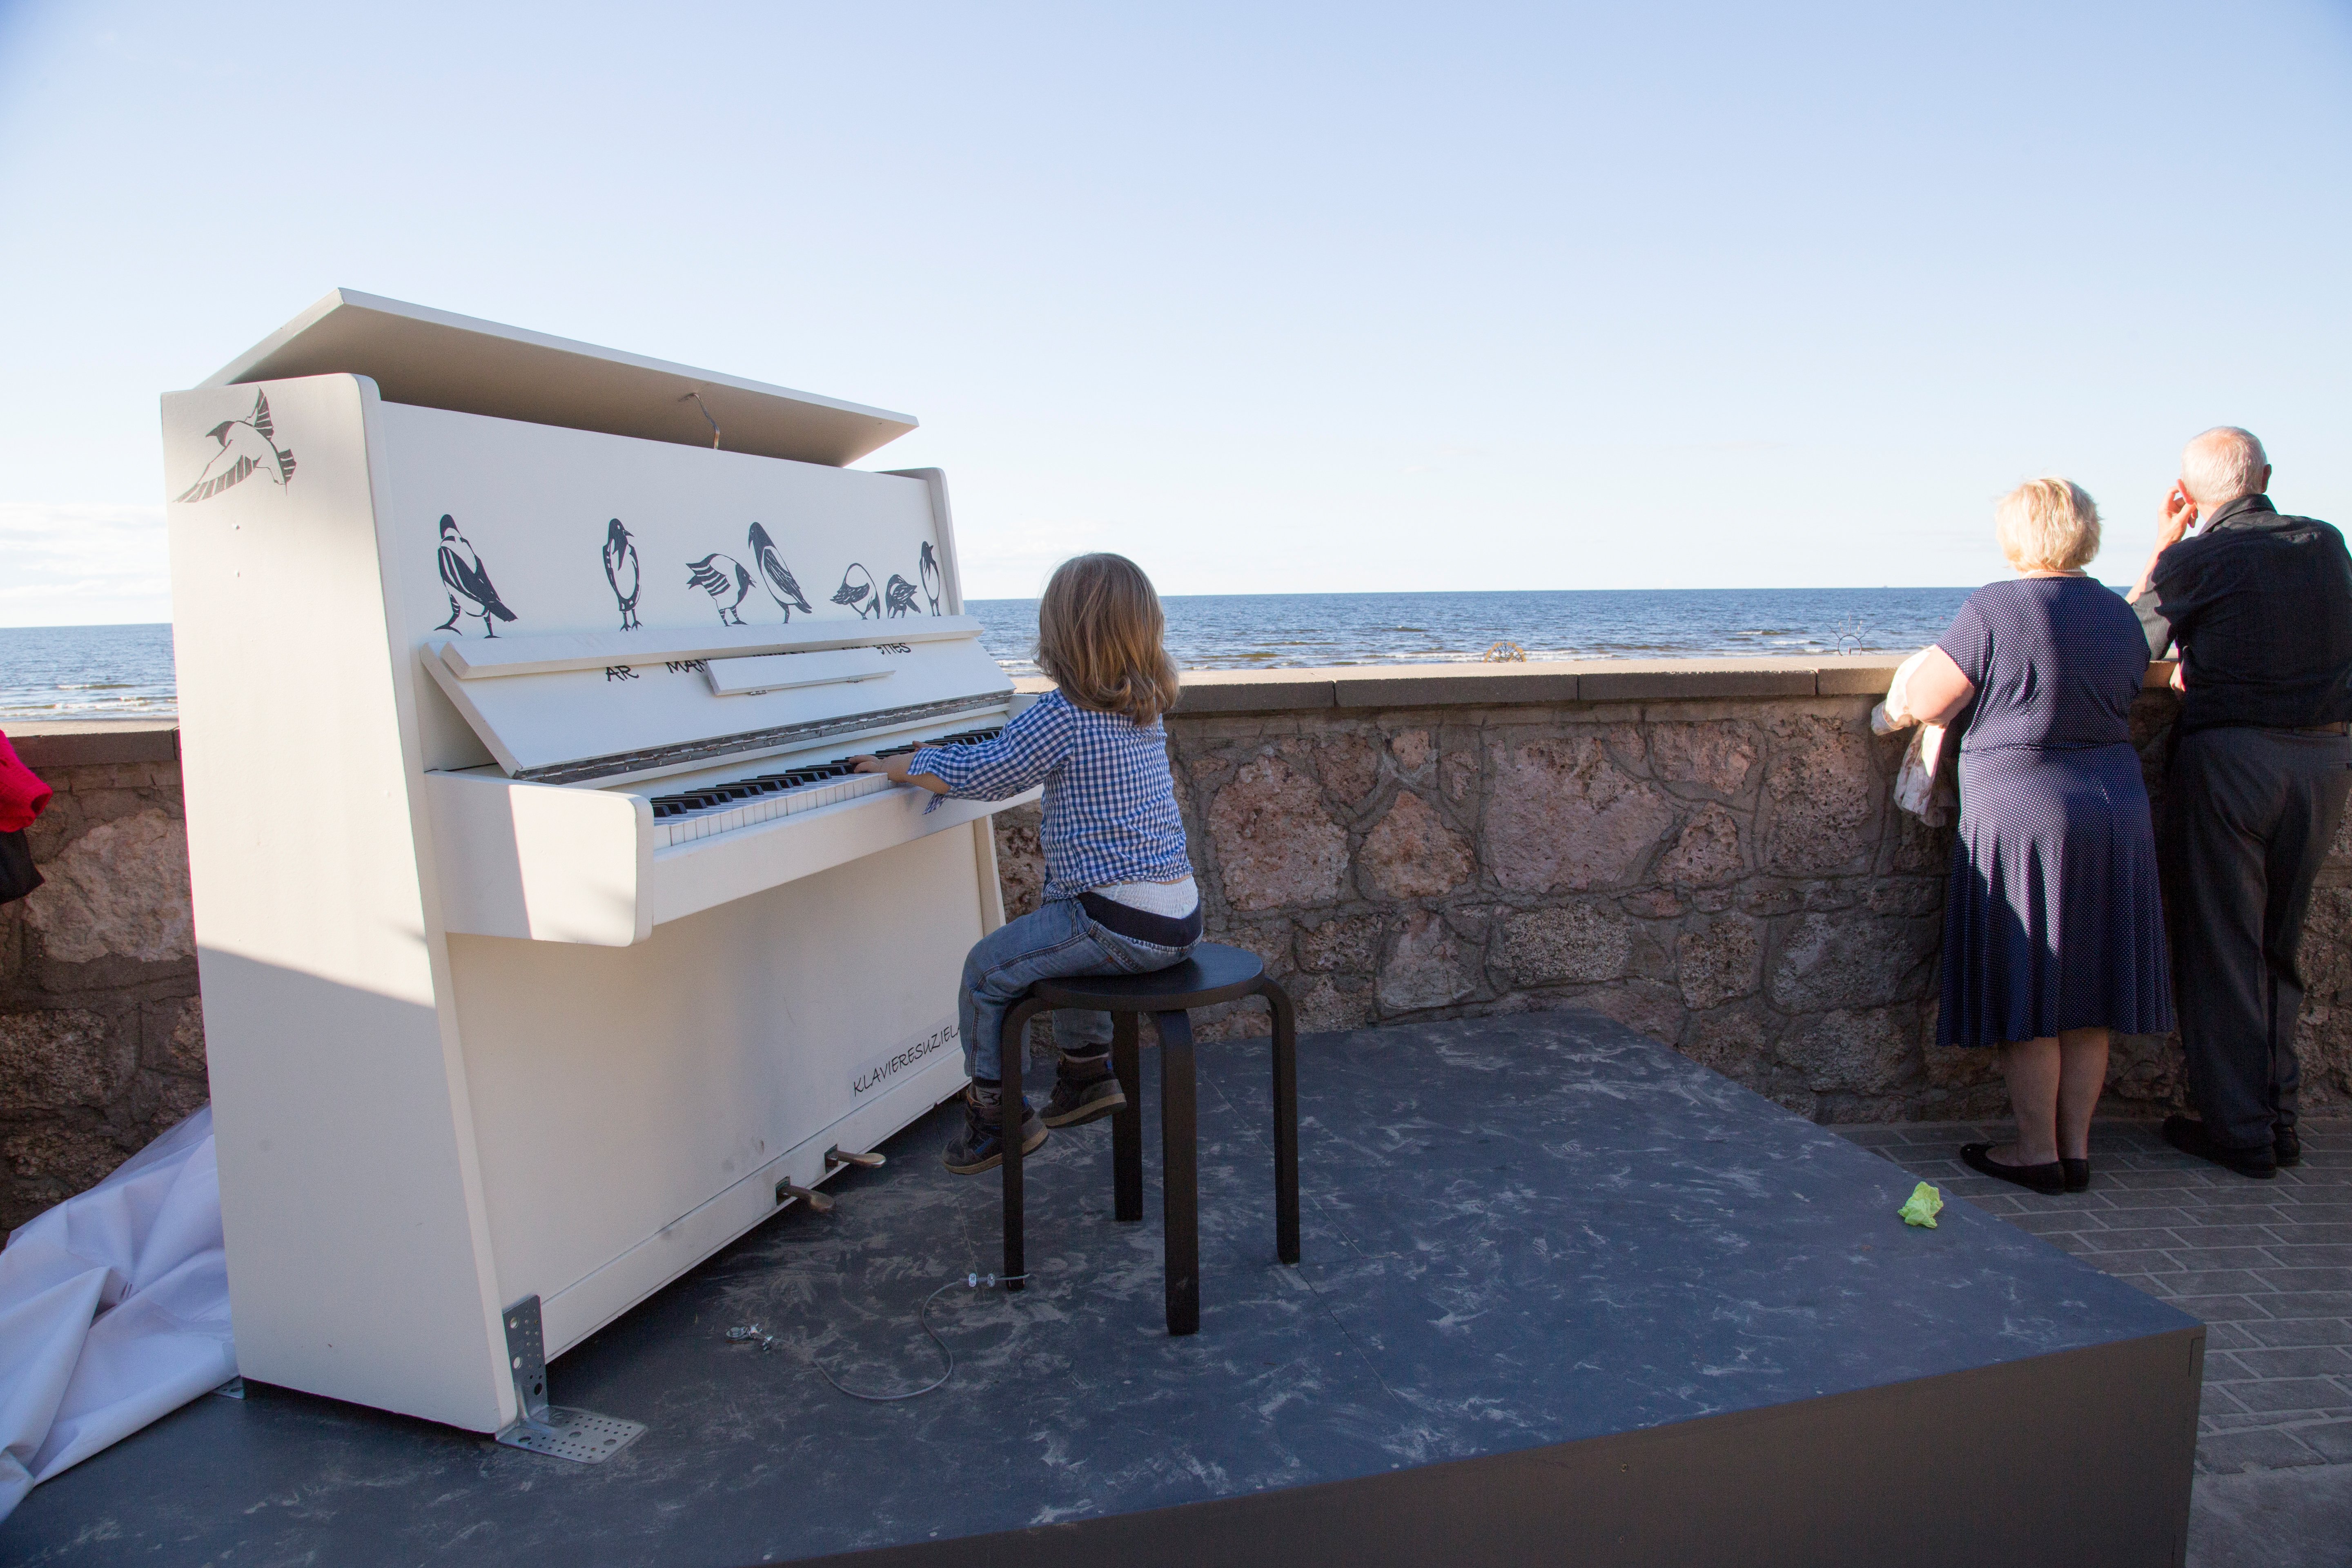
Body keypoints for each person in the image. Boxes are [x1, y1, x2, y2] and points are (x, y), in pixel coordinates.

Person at [853, 553, 1200, 1174]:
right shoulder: (1145, 711)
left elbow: (990, 772)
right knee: (1061, 914)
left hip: (1117, 921)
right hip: (1178, 918)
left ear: (1060, 634)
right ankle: (1086, 1071)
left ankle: (993, 1117)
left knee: (988, 970)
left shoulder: (1064, 715)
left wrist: (905, 765)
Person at [1906, 479, 2172, 1194]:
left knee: (2032, 986)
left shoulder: (1996, 606)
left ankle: (2034, 1152)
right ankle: (2076, 1149)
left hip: (2024, 813)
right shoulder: (2118, 617)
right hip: (2115, 808)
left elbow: (1930, 699)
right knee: (2088, 989)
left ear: (2016, 535)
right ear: (2086, 532)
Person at [2128, 428, 2352, 1180]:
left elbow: (2130, 645)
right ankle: (2280, 1122)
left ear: (2188, 498)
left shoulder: (2197, 558)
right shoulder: (2326, 544)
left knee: (2224, 947)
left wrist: (2164, 549)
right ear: (2266, 477)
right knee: (2277, 947)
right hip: (2325, 758)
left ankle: (2240, 1134)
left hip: (2234, 762)